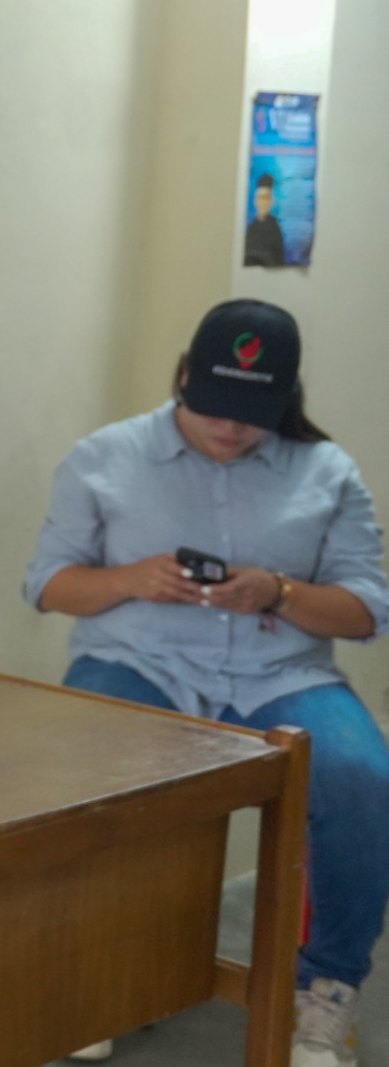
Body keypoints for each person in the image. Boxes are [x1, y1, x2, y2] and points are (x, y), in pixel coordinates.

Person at [25, 299, 389, 1067]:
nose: (230, 427)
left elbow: (364, 611)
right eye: (215, 405)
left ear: (286, 398)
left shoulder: (327, 471)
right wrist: (130, 578)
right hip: (140, 662)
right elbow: (49, 584)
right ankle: (99, 972)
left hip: (280, 673)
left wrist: (279, 592)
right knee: (83, 773)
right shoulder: (104, 456)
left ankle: (325, 992)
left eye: (253, 413)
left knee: (362, 776)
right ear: (185, 376)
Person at [245, 173, 286, 267]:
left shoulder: (275, 230)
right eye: (260, 198)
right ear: (255, 200)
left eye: (266, 198)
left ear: (271, 201)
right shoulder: (250, 229)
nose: (263, 202)